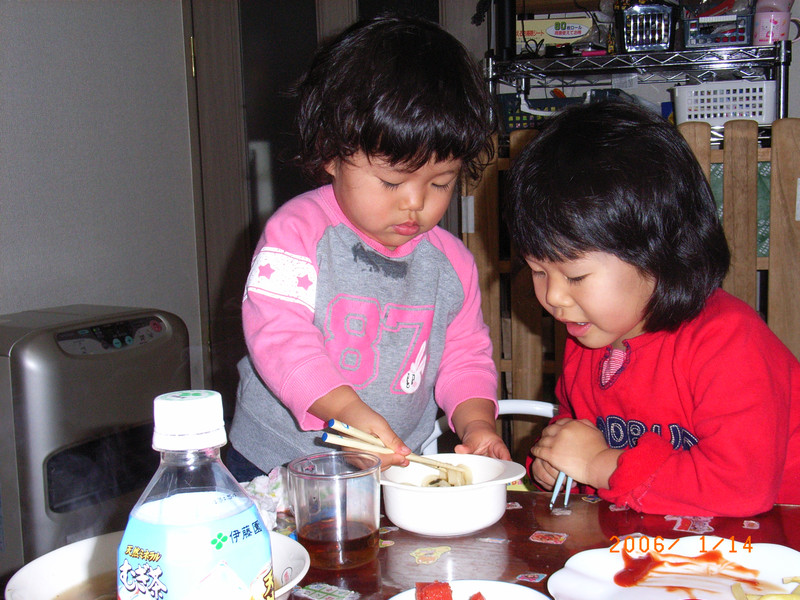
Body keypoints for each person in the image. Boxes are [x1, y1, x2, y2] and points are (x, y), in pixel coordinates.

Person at [226, 15, 510, 480]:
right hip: (276, 458)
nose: (415, 202)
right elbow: (280, 337)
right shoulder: (298, 233)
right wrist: (346, 412)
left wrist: (477, 423)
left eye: (440, 182)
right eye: (392, 181)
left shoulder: (452, 264)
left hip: (387, 466)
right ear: (331, 153)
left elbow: (464, 354)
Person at [505, 99, 800, 516]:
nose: (553, 296)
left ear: (659, 256)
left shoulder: (729, 343)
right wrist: (556, 464)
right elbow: (578, 431)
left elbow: (743, 486)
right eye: (538, 271)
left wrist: (601, 465)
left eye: (575, 276)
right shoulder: (589, 338)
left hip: (772, 539)